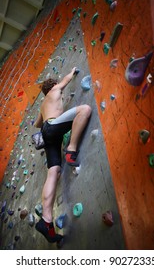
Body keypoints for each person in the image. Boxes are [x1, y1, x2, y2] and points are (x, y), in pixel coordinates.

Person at [33, 67, 92, 243]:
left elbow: (37, 124)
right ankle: (71, 149)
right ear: (53, 85)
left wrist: (47, 113)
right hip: (53, 126)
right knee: (85, 109)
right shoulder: (56, 88)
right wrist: (72, 71)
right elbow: (66, 80)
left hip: (46, 132)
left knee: (54, 172)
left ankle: (46, 220)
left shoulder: (44, 104)